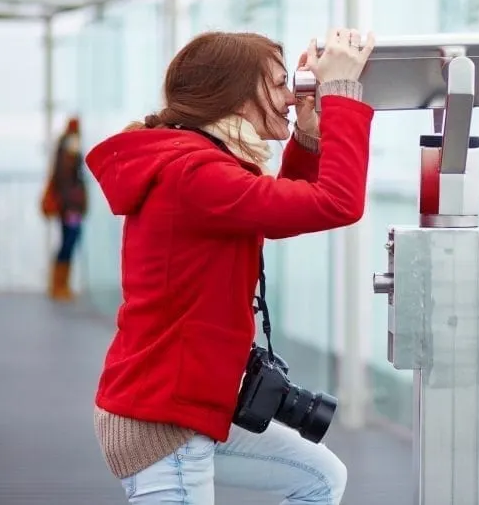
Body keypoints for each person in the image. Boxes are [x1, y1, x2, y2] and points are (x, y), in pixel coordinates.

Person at [85, 28, 375, 505]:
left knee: (319, 477)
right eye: (281, 83)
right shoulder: (194, 174)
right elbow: (337, 203)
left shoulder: (198, 162)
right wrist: (342, 95)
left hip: (184, 403)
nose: (292, 95)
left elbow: (278, 215)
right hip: (166, 421)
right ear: (236, 96)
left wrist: (306, 134)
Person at [42, 116, 88, 301]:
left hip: (68, 206)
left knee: (68, 241)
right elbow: (68, 182)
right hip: (70, 208)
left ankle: (60, 285)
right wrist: (72, 205)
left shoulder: (63, 148)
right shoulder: (69, 148)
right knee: (69, 242)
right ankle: (59, 286)